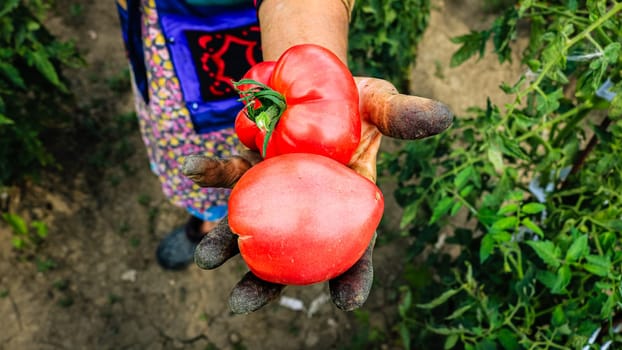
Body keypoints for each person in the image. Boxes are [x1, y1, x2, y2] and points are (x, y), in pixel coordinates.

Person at [116, 0, 452, 313]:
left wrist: (307, 47)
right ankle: (201, 217)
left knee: (229, 172)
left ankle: (203, 222)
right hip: (161, 41)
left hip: (258, 37)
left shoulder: (271, 103)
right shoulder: (261, 115)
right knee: (205, 166)